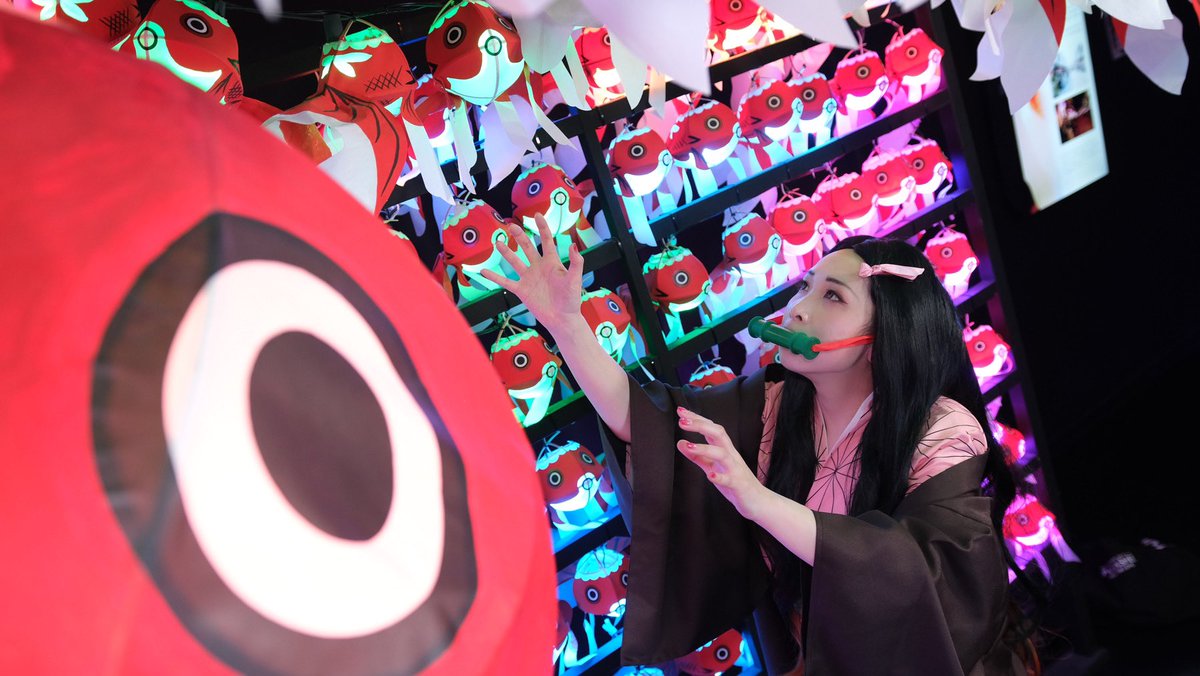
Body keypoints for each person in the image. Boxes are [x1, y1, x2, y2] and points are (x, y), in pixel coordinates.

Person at [482, 215, 1034, 675]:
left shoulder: (944, 432)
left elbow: (919, 573)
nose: (799, 308)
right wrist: (566, 325)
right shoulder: (777, 405)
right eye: (806, 287)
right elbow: (651, 423)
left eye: (832, 296)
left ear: (884, 335)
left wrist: (759, 501)